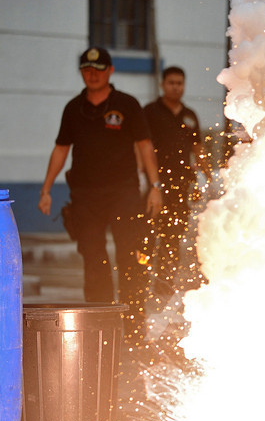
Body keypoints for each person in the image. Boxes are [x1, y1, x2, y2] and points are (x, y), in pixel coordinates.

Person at [38, 46, 163, 352]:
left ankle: (135, 325)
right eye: (86, 69)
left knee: (131, 257)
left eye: (98, 69)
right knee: (94, 260)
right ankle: (100, 328)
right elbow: (61, 149)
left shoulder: (127, 104)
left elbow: (145, 146)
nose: (92, 74)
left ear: (110, 71)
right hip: (85, 196)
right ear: (82, 73)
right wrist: (46, 189)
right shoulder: (73, 108)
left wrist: (156, 186)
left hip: (123, 192)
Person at [142, 66, 210, 299]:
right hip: (155, 187)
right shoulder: (150, 112)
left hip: (182, 188)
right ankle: (141, 284)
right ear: (162, 84)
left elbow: (198, 149)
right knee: (148, 238)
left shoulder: (189, 116)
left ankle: (164, 287)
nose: (176, 87)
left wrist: (208, 178)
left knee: (173, 240)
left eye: (180, 83)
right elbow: (141, 146)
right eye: (171, 82)